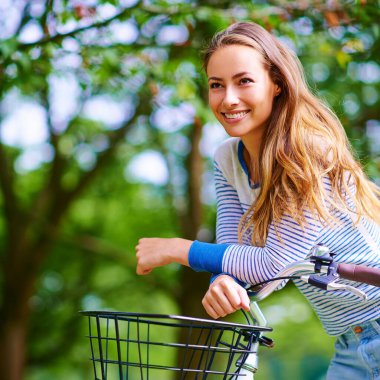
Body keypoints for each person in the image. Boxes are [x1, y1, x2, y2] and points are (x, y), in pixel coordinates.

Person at [135, 22, 380, 379]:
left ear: (276, 83)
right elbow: (235, 247)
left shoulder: (307, 152)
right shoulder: (227, 160)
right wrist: (223, 279)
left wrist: (177, 249)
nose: (228, 98)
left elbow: (275, 263)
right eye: (216, 85)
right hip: (351, 342)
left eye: (244, 81)